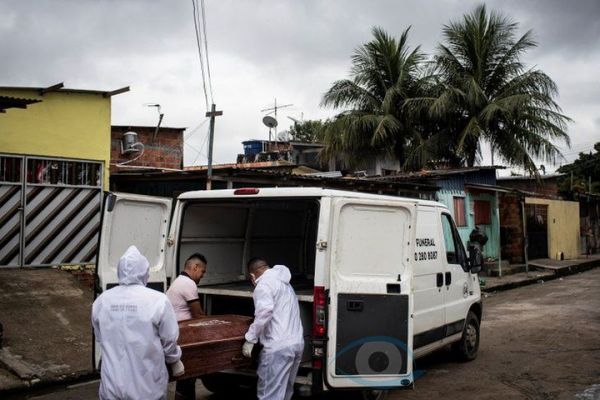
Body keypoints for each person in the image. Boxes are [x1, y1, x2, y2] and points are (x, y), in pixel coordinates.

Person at [92, 245, 184, 400]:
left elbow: (101, 338)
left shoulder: (102, 301)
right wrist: (174, 360)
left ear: (119, 271)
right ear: (145, 271)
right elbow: (169, 341)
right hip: (147, 389)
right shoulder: (158, 300)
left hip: (111, 387)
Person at [242, 258, 304, 400]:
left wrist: (250, 338)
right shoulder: (285, 283)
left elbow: (264, 312)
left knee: (269, 394)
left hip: (277, 347)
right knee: (285, 392)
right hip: (296, 344)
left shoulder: (264, 285)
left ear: (252, 275)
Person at [166, 253, 208, 400]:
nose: (202, 276)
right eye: (202, 271)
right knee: (188, 376)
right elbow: (199, 316)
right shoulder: (188, 283)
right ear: (195, 267)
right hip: (183, 336)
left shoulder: (179, 280)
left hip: (179, 334)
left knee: (187, 377)